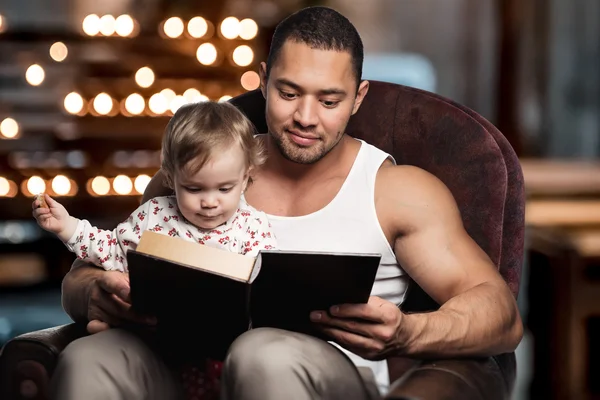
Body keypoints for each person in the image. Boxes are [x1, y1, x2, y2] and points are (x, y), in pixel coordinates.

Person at [51, 6, 523, 400]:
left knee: (263, 353)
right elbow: (86, 272)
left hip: (323, 377)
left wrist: (407, 333)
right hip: (184, 368)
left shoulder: (396, 191)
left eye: (329, 100)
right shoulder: (206, 172)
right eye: (288, 92)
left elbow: (500, 314)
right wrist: (95, 293)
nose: (304, 117)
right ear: (262, 82)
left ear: (358, 98)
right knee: (88, 356)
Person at [35, 101, 277, 399]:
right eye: (194, 189)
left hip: (223, 354)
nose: (210, 201)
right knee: (107, 330)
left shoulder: (252, 227)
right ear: (170, 177)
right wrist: (68, 226)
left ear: (246, 177)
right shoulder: (155, 215)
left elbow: (270, 289)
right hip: (155, 342)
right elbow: (110, 249)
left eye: (224, 189)